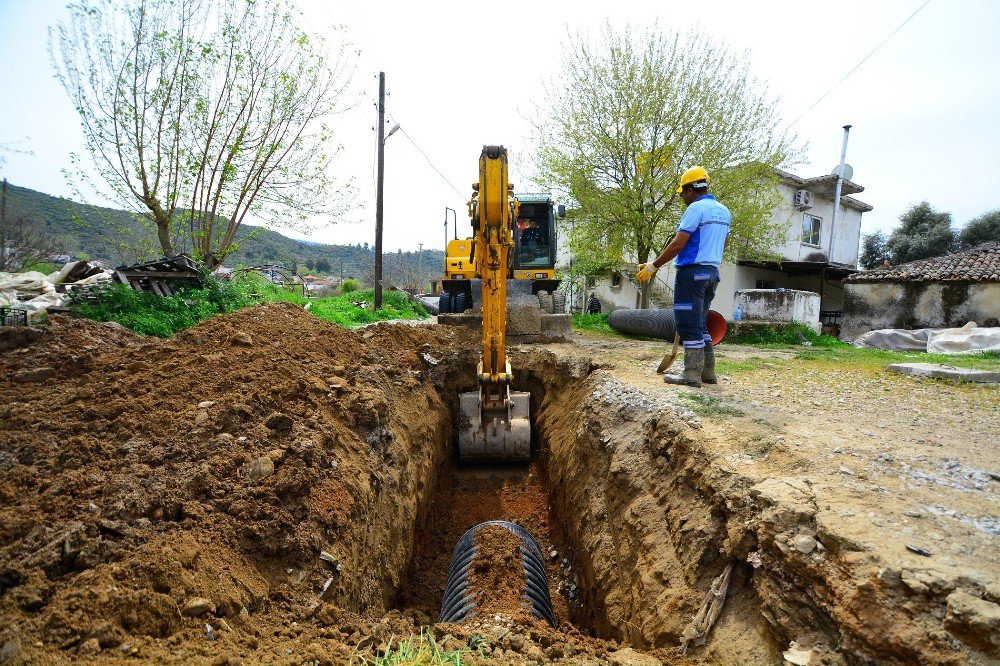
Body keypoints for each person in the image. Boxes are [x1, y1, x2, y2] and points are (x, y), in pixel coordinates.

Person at [635, 166, 731, 387]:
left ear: (689, 190)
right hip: (712, 273)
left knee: (688, 324)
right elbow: (724, 243)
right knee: (700, 323)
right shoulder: (724, 211)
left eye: (682, 194)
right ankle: (708, 373)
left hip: (692, 273)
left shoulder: (696, 209)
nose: (682, 198)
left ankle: (691, 374)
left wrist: (654, 266)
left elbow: (679, 242)